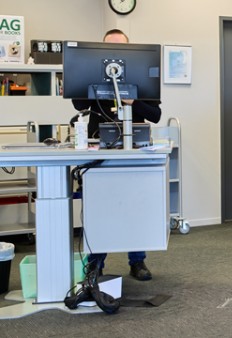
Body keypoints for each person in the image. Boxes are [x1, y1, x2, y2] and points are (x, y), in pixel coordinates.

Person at [71, 29, 162, 281]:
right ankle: (95, 263)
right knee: (98, 207)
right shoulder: (92, 76)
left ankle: (137, 261)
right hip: (99, 146)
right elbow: (79, 105)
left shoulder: (142, 78)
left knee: (135, 206)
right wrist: (86, 81)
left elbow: (154, 115)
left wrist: (131, 101)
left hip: (133, 148)